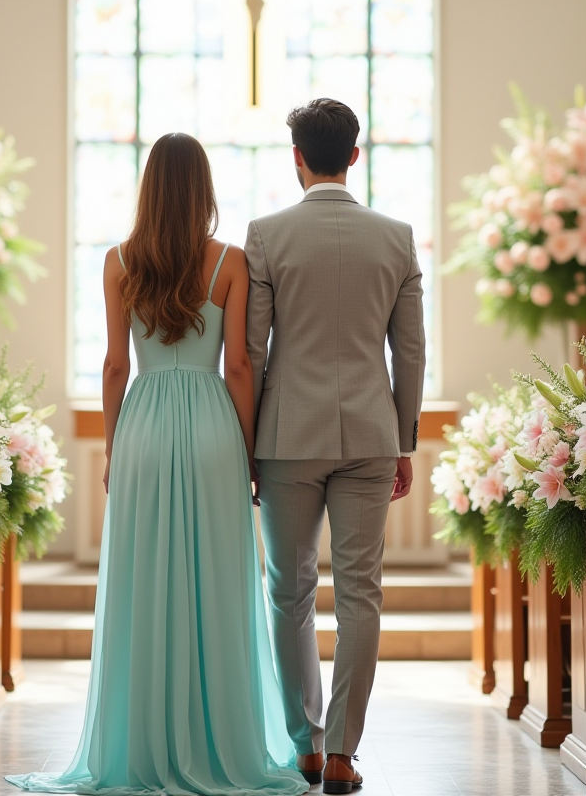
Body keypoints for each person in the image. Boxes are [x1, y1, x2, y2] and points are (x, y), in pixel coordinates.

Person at [6, 133, 308, 796]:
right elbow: (238, 366)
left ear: (149, 189)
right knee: (217, 579)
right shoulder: (229, 262)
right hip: (211, 427)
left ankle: (138, 745)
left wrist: (116, 446)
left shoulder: (118, 262)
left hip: (143, 423)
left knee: (143, 581)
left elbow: (115, 365)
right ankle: (218, 742)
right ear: (202, 190)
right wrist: (249, 452)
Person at [246, 98, 426, 796]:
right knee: (362, 594)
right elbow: (408, 351)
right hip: (371, 437)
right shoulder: (397, 237)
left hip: (286, 437)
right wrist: (403, 439)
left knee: (289, 592)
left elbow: (252, 352)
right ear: (355, 155)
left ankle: (308, 747)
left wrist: (249, 440)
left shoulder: (265, 236)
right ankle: (348, 754)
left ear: (297, 158)